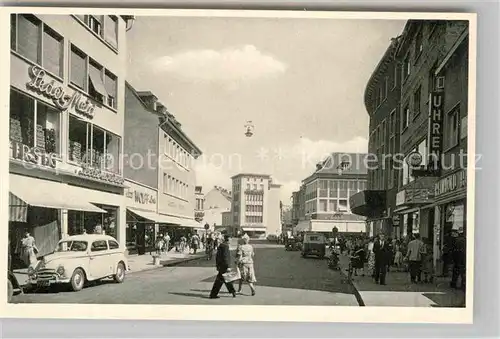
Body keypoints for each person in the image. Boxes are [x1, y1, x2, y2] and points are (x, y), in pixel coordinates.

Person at [209, 235, 237, 299]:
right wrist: (228, 266)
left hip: (221, 266)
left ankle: (232, 291)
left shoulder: (221, 246)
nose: (231, 241)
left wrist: (217, 265)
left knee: (223, 280)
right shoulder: (225, 247)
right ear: (228, 240)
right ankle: (213, 295)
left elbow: (217, 257)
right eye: (230, 239)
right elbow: (225, 257)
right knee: (225, 280)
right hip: (224, 266)